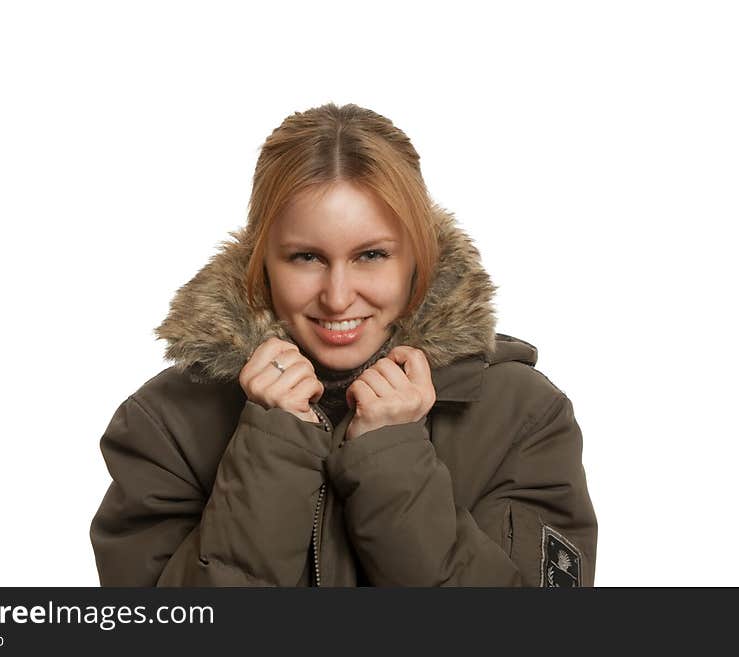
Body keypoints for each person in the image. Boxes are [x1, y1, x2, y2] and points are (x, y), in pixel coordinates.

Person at [89, 102, 598, 587]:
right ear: (261, 261)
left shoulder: (523, 416)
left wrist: (392, 455)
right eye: (306, 257)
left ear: (419, 257)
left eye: (371, 255)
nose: (336, 298)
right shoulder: (165, 423)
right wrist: (272, 448)